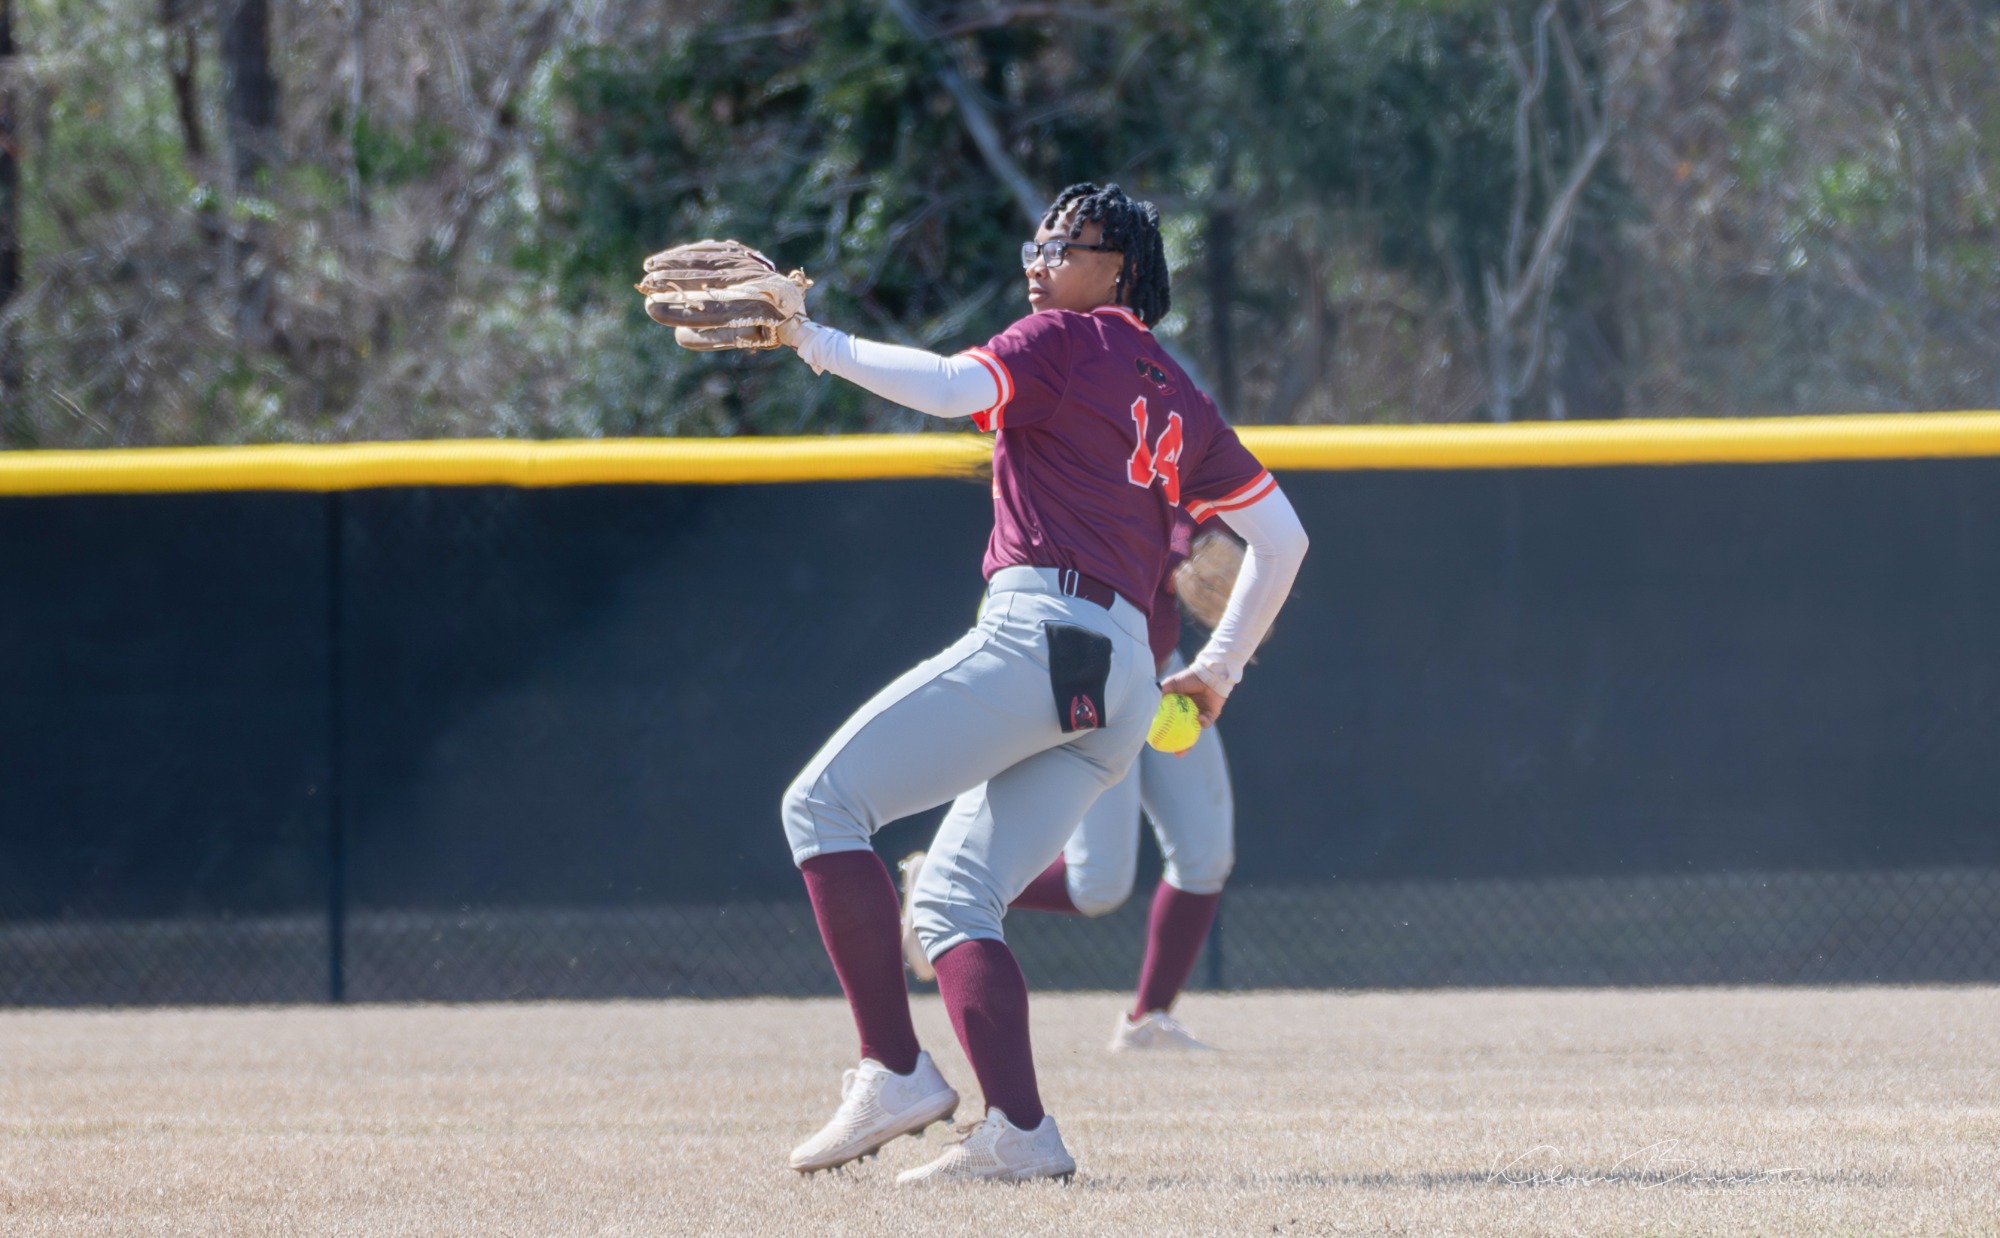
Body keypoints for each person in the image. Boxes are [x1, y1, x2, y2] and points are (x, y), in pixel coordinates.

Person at [774, 182, 1309, 1185]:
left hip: (1044, 632)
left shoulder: (1063, 339)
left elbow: (947, 387)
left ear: (1120, 268)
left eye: (1065, 245)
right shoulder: (1179, 392)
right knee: (954, 900)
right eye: (1037, 243)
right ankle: (1021, 1131)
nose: (1039, 261)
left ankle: (893, 1066)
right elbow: (1283, 539)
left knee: (821, 806)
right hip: (1128, 674)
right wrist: (1218, 669)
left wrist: (813, 340)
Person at [899, 511, 1240, 1053]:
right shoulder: (1076, 469)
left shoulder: (1183, 460)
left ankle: (1147, 1022)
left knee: (1206, 854)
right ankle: (941, 885)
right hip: (1091, 666)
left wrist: (1212, 556)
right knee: (1098, 885)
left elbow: (1227, 520)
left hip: (1161, 666)